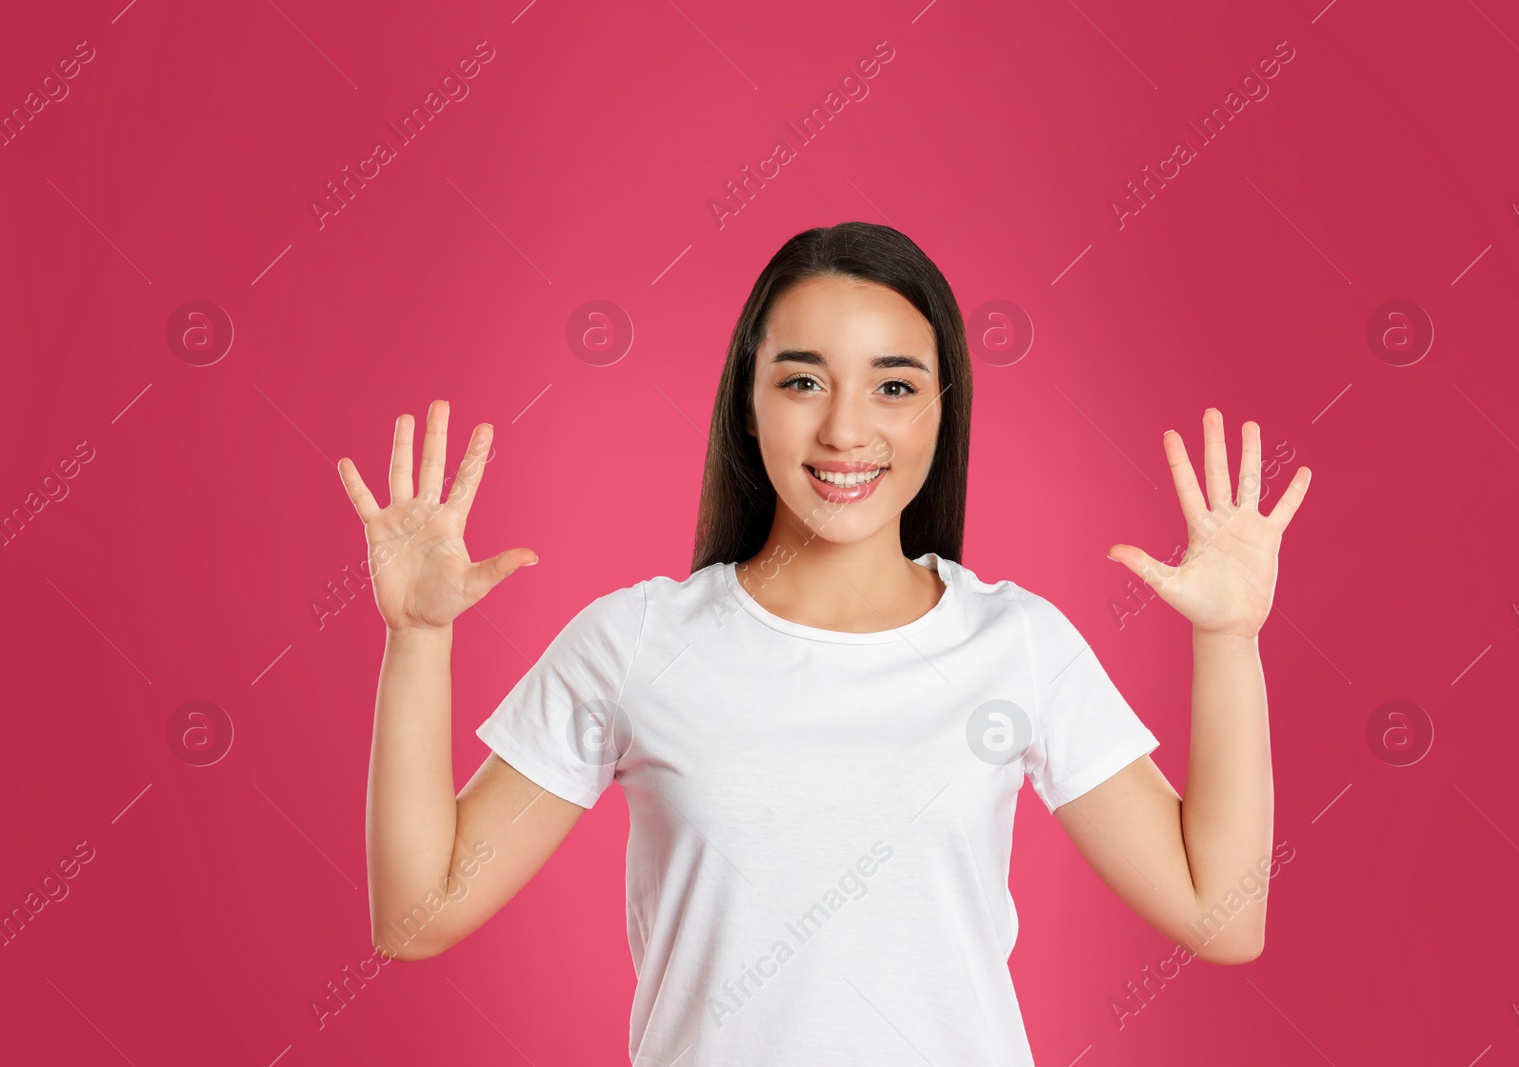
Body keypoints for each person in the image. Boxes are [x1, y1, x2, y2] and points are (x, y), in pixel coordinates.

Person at [337, 221, 1311, 1065]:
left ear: (943, 406)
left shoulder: (1013, 644)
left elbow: (1215, 910)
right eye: (802, 378)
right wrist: (417, 639)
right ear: (747, 402)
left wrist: (1228, 640)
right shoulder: (637, 642)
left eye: (894, 385)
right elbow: (416, 914)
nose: (846, 428)